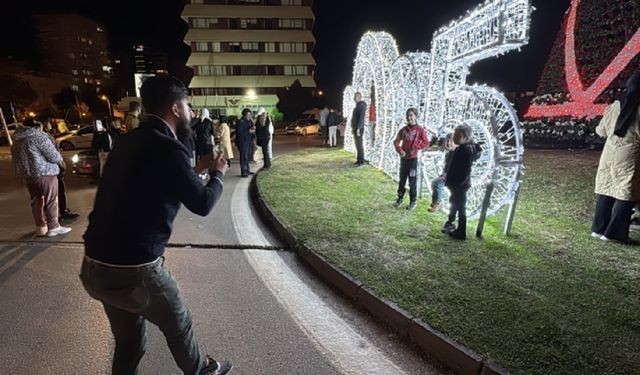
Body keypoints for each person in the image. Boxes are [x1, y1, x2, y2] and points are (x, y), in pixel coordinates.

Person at [80, 75, 232, 375]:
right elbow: (202, 203)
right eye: (187, 105)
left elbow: (147, 184)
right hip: (135, 269)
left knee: (129, 339)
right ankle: (203, 371)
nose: (190, 112)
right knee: (179, 322)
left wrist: (193, 170)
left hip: (95, 265)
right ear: (176, 108)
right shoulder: (167, 148)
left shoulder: (128, 141)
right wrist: (218, 174)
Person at [592, 72, 640, 243]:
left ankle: (598, 229)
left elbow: (601, 130)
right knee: (625, 192)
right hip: (629, 154)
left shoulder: (614, 106)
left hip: (609, 152)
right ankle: (614, 234)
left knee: (607, 188)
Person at [11, 118, 72, 237]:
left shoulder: (17, 140)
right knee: (51, 200)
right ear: (37, 126)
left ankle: (40, 226)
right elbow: (53, 156)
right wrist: (60, 160)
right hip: (45, 172)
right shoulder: (39, 137)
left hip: (28, 175)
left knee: (36, 201)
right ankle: (53, 227)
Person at [443, 123, 482, 240]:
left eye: (457, 135)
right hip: (457, 184)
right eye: (454, 134)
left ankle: (461, 232)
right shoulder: (462, 149)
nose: (454, 137)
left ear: (466, 138)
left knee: (460, 207)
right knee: (455, 204)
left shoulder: (465, 151)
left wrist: (457, 184)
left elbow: (465, 170)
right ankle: (451, 223)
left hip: (459, 185)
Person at [42, 116, 79, 221]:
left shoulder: (48, 135)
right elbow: (52, 154)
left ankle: (62, 212)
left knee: (59, 191)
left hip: (53, 168)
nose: (51, 124)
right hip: (52, 168)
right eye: (49, 122)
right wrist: (60, 163)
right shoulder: (45, 137)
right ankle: (55, 216)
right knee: (54, 194)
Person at [393, 108, 430, 210]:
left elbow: (426, 142)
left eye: (411, 115)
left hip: (413, 160)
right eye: (408, 115)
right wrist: (400, 150)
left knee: (412, 181)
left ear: (416, 117)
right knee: (402, 180)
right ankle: (400, 197)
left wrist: (416, 147)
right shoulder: (403, 130)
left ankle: (413, 201)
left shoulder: (420, 130)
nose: (410, 117)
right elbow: (396, 141)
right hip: (404, 159)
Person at [429, 133, 456, 212]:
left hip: (454, 178)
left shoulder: (458, 154)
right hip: (447, 175)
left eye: (451, 141)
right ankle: (436, 202)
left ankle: (437, 203)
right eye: (447, 141)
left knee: (437, 183)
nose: (448, 143)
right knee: (435, 183)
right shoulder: (449, 153)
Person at [236, 108, 255, 177]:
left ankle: (247, 170)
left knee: (247, 157)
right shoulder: (241, 122)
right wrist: (249, 131)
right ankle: (243, 172)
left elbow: (252, 127)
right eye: (248, 115)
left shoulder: (249, 121)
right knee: (244, 157)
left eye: (250, 115)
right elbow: (239, 133)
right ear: (244, 115)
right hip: (242, 142)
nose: (249, 116)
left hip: (248, 141)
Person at [351, 92, 367, 166]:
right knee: (357, 144)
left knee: (359, 145)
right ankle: (359, 160)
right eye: (355, 97)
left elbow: (361, 118)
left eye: (356, 97)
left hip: (358, 128)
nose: (355, 98)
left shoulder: (361, 106)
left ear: (359, 97)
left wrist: (358, 128)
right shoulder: (358, 106)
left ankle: (361, 161)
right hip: (356, 127)